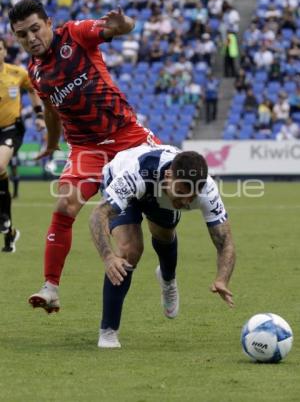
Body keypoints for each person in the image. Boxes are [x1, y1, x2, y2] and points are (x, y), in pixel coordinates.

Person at [8, 0, 160, 313]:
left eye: (35, 28)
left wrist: (123, 24)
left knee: (165, 203)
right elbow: (52, 113)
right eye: (22, 35)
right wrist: (51, 145)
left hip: (127, 137)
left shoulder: (75, 35)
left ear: (49, 23)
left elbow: (113, 27)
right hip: (86, 148)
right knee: (65, 205)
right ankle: (51, 287)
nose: (31, 38)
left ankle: (167, 270)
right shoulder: (35, 72)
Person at [89, 144, 236, 348]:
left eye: (191, 197)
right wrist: (108, 257)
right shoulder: (138, 172)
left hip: (160, 196)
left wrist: (222, 279)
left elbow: (225, 240)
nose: (185, 201)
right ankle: (108, 331)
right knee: (129, 250)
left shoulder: (206, 189)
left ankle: (168, 281)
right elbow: (98, 215)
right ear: (169, 176)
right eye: (181, 192)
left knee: (164, 234)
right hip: (122, 179)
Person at [0, 37, 44, 252]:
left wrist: (39, 115)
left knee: (0, 166)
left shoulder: (17, 73)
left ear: (4, 51)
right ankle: (9, 232)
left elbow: (33, 90)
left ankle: (4, 216)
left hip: (11, 129)